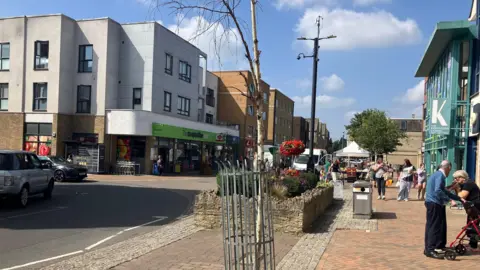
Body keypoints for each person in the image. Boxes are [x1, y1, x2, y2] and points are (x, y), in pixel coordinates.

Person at [424, 160, 466, 259]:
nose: (449, 173)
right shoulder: (440, 175)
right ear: (447, 168)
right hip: (434, 203)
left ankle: (433, 247)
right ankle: (430, 249)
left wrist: (458, 198)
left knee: (433, 226)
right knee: (433, 227)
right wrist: (449, 201)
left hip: (433, 203)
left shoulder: (437, 175)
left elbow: (444, 191)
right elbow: (438, 190)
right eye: (449, 170)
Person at [450, 170, 480, 249]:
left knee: (473, 224)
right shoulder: (465, 184)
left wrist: (457, 189)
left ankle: (473, 243)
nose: (455, 180)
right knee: (472, 224)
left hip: (476, 207)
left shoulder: (468, 184)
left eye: (456, 178)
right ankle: (472, 243)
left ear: (462, 178)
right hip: (472, 207)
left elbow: (462, 196)